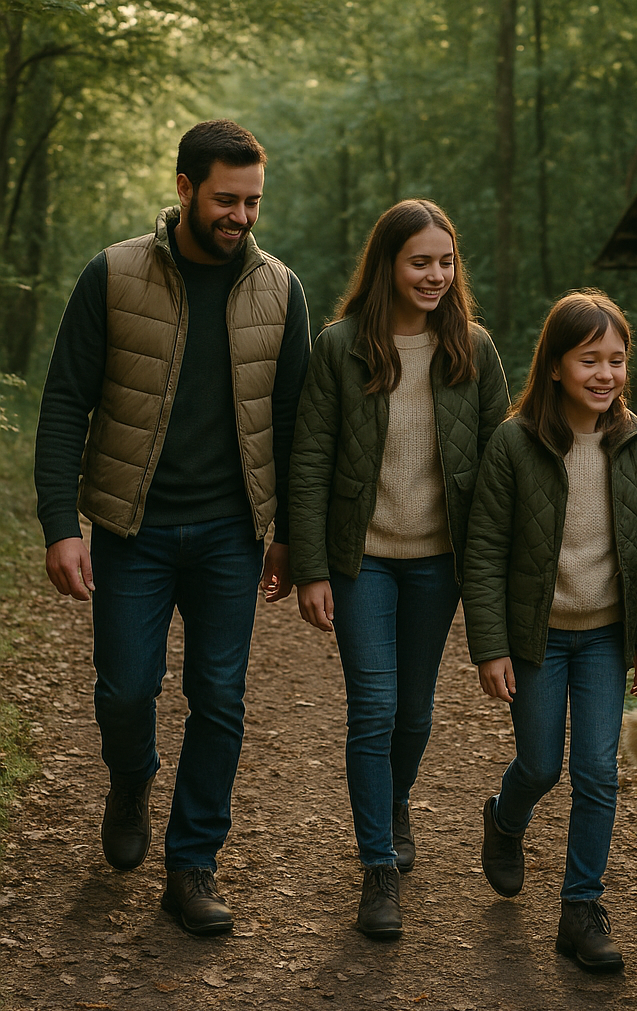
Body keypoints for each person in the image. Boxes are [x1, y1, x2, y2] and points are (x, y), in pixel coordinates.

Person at [34, 120, 311, 935]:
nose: (242, 217)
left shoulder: (279, 289)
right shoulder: (112, 275)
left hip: (232, 532)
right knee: (126, 691)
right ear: (185, 189)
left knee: (219, 699)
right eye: (227, 199)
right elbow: (62, 404)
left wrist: (290, 533)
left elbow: (294, 421)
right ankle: (131, 778)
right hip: (132, 528)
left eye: (253, 201)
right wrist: (61, 524)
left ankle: (192, 864)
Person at [288, 198, 509, 940]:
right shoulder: (341, 346)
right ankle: (378, 867)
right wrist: (312, 565)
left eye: (446, 262)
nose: (436, 275)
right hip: (362, 563)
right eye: (420, 261)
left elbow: (505, 469)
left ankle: (393, 800)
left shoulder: (473, 351)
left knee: (414, 713)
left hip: (437, 567)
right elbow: (311, 458)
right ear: (387, 265)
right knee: (374, 708)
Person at [462, 289, 637, 972]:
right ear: (555, 366)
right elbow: (486, 549)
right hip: (539, 638)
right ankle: (505, 816)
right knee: (542, 763)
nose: (604, 374)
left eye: (616, 360)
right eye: (589, 360)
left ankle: (581, 909)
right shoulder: (514, 442)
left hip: (607, 637)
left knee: (597, 773)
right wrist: (490, 646)